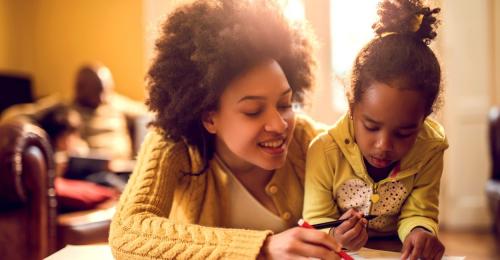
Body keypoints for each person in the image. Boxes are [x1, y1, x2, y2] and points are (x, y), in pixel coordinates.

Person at [109, 0, 342, 259]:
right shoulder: (175, 144)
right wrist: (263, 248)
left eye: (285, 104)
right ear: (209, 118)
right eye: (253, 110)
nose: (279, 124)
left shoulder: (309, 141)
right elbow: (127, 233)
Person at [302, 0, 448, 259]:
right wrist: (336, 235)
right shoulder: (324, 151)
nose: (384, 144)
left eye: (404, 133)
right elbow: (315, 222)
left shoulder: (430, 149)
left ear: (424, 118)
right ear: (352, 107)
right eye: (371, 126)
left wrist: (419, 231)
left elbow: (420, 211)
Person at [37, 104, 118, 211]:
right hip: (74, 183)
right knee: (106, 180)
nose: (73, 139)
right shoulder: (46, 154)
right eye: (70, 135)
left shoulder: (77, 146)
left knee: (107, 177)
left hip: (87, 179)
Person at [71, 63, 148, 159]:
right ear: (80, 89)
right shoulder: (69, 111)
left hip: (122, 166)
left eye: (104, 90)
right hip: (90, 167)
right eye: (96, 90)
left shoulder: (116, 103)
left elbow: (147, 112)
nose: (101, 97)